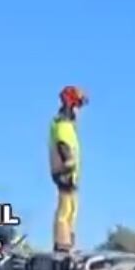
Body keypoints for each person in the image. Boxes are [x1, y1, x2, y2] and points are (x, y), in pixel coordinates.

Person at [50, 85, 87, 253]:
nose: (80, 112)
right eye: (78, 106)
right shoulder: (62, 125)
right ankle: (62, 245)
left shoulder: (66, 125)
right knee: (65, 210)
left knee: (72, 209)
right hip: (65, 173)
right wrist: (67, 165)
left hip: (69, 173)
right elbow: (63, 146)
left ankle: (68, 243)